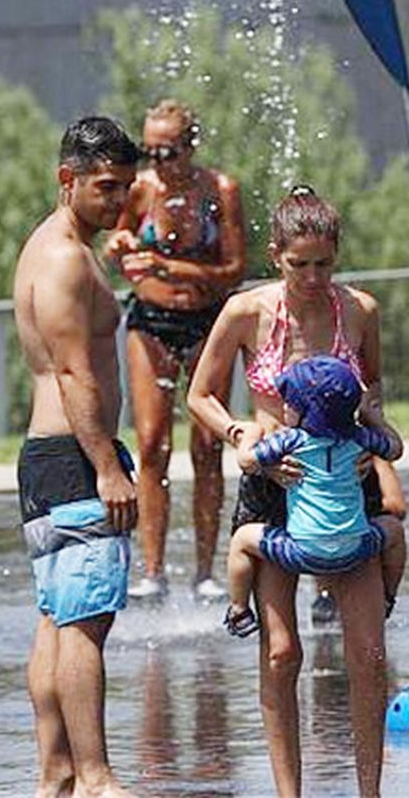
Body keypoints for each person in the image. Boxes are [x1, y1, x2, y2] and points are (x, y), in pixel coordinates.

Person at [187, 186, 397, 797]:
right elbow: (199, 396)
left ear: (337, 257)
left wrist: (369, 433)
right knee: (281, 652)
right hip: (274, 486)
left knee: (369, 654)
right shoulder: (245, 311)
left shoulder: (359, 310)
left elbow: (375, 385)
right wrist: (241, 432)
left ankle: (369, 791)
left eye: (324, 264)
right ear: (275, 254)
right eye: (298, 264)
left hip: (345, 487)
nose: (312, 277)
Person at [13, 116, 142, 798]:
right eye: (104, 187)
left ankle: (55, 771)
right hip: (73, 456)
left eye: (124, 186)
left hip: (46, 459)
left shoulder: (51, 245)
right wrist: (108, 466)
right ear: (69, 180)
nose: (117, 200)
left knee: (56, 618)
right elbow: (73, 374)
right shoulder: (65, 258)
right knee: (86, 623)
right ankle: (94, 776)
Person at [103, 99, 246, 601]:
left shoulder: (218, 191)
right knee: (151, 444)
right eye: (150, 151)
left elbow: (232, 271)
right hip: (152, 323)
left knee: (208, 446)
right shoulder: (141, 190)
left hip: (207, 321)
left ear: (191, 147)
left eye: (168, 152)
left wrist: (171, 269)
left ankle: (205, 572)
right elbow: (116, 238)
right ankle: (154, 570)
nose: (158, 162)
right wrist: (121, 246)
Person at [223, 355, 408, 638]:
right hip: (355, 548)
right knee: (394, 531)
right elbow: (395, 449)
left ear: (308, 412)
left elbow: (247, 462)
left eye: (290, 403)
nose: (284, 407)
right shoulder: (358, 439)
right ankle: (387, 598)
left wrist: (251, 433)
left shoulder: (292, 441)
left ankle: (238, 611)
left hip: (301, 551)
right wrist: (375, 420)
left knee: (242, 539)